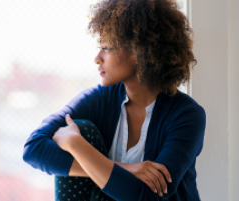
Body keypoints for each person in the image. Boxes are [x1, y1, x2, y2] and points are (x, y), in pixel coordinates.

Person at [23, 0, 206, 200]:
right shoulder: (99, 99)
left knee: (79, 134)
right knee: (83, 128)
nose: (97, 58)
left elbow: (148, 197)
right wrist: (127, 168)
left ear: (138, 51)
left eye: (107, 47)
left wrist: (76, 144)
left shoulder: (187, 115)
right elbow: (33, 148)